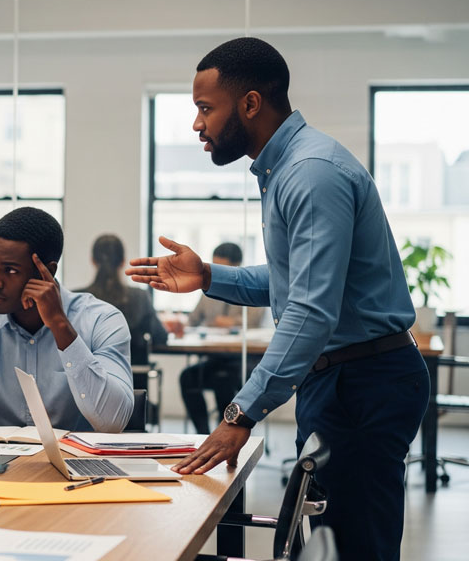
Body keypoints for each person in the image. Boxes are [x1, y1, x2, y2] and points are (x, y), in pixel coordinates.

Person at [125, 38, 427, 560]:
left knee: (358, 547)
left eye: (204, 108)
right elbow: (295, 281)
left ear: (250, 104)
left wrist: (240, 414)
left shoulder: (311, 174)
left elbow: (310, 310)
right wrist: (208, 277)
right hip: (341, 378)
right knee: (333, 539)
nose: (197, 124)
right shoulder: (288, 169)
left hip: (363, 382)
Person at [0, 207, 134, 432]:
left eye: (10, 270)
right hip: (0, 464)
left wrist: (60, 326)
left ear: (46, 272)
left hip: (76, 463)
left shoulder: (102, 320)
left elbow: (112, 423)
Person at [178, 242, 265, 434]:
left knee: (222, 380)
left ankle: (224, 433)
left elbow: (253, 321)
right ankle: (203, 434)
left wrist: (230, 322)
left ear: (237, 265)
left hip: (242, 360)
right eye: (215, 266)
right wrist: (180, 324)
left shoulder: (251, 288)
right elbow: (192, 320)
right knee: (188, 378)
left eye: (224, 268)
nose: (220, 273)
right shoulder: (210, 290)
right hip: (214, 358)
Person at [76, 234, 167, 366]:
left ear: (93, 261)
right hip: (133, 381)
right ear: (123, 261)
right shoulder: (140, 297)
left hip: (87, 381)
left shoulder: (78, 299)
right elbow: (160, 338)